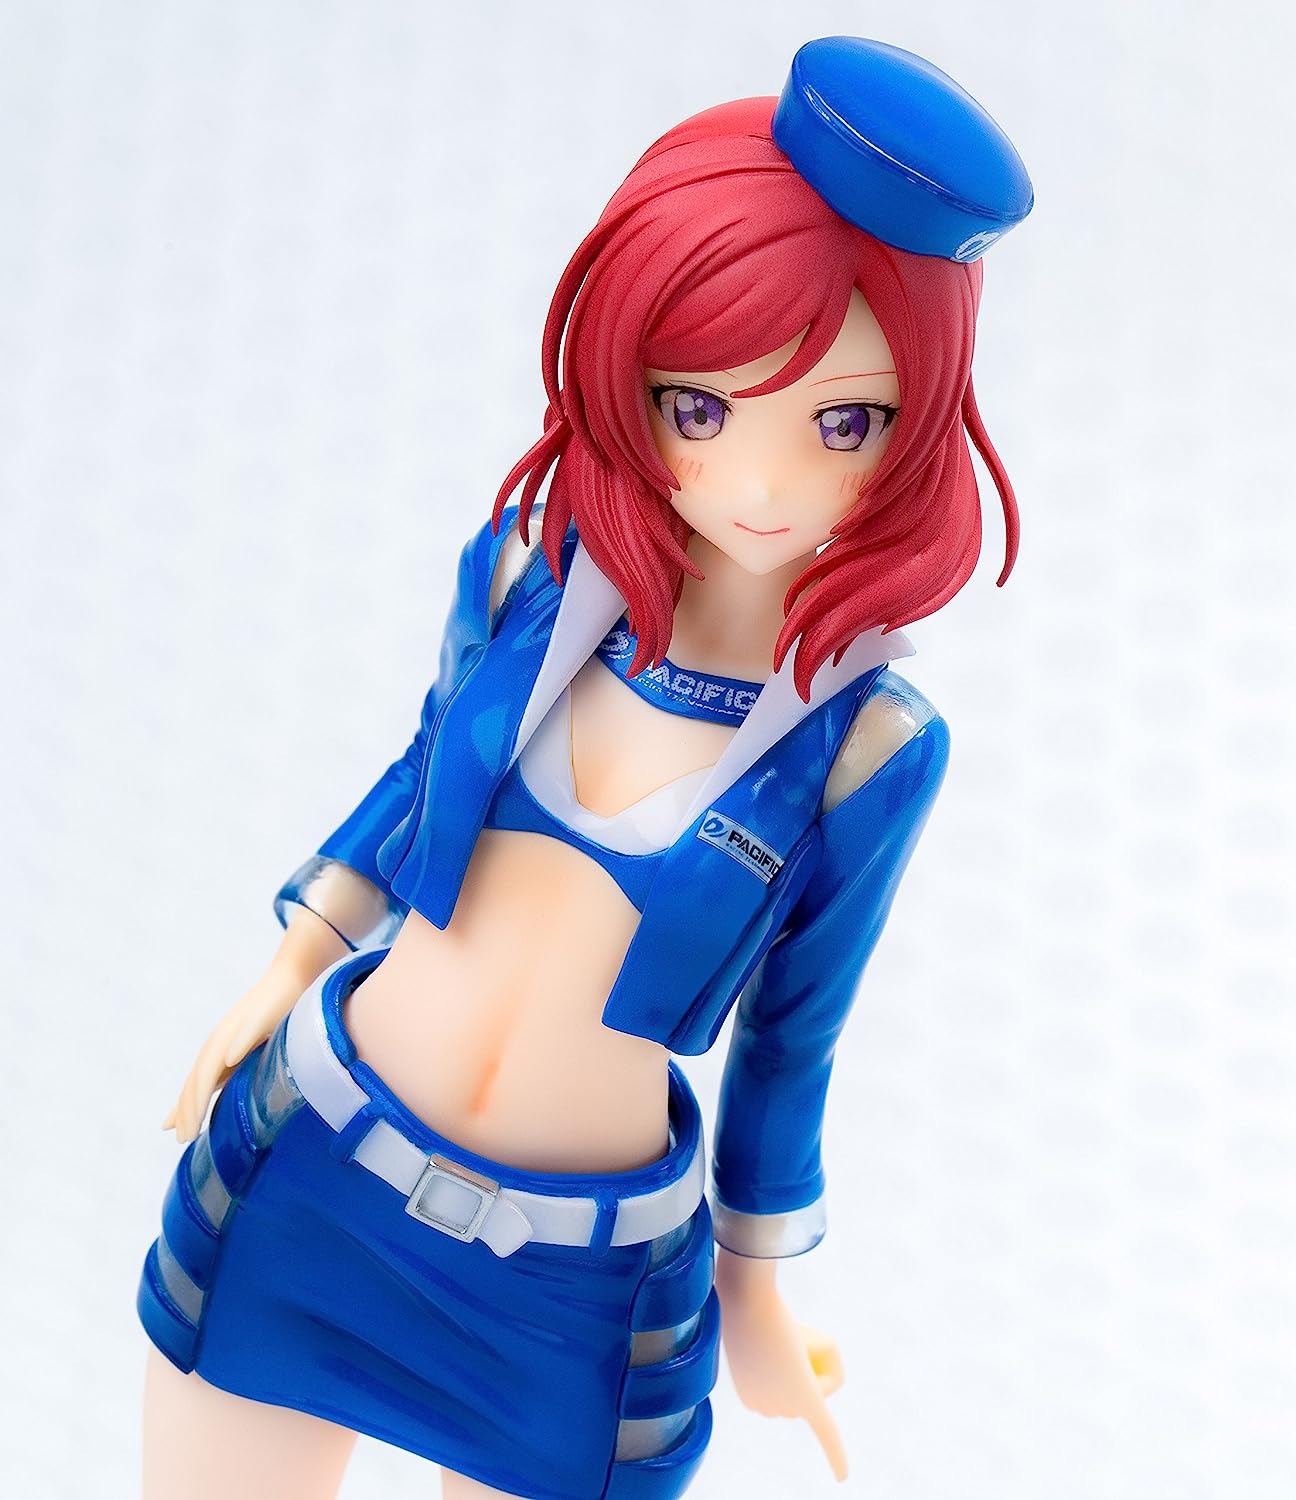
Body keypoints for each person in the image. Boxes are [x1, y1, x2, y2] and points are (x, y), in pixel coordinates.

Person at [138, 36, 1032, 1500]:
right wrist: (291, 962)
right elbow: (419, 774)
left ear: (915, 426)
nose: (762, 481)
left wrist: (757, 1291)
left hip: (578, 1297)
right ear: (634, 375)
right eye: (703, 406)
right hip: (312, 1171)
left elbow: (792, 1040)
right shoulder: (527, 581)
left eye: (843, 422)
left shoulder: (864, 749)